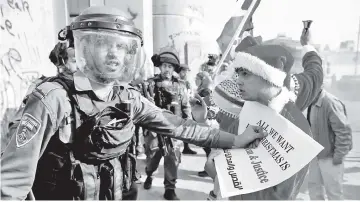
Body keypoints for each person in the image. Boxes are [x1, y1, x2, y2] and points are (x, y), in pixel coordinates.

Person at [0, 6, 267, 201]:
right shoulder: (52, 98)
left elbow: (181, 127)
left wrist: (235, 140)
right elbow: (13, 179)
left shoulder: (127, 97)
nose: (114, 53)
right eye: (103, 43)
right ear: (82, 47)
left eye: (121, 47)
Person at [203, 28, 324, 200]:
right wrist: (308, 47)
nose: (237, 80)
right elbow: (315, 75)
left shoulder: (294, 131)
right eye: (238, 73)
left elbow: (275, 197)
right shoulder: (249, 107)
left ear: (268, 76)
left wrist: (221, 177)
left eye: (245, 73)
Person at [142, 49, 192, 200]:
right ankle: (150, 174)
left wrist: (187, 123)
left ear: (174, 69)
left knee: (172, 157)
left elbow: (185, 106)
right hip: (154, 127)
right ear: (159, 67)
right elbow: (144, 106)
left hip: (173, 127)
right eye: (164, 66)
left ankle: (170, 188)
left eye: (170, 66)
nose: (166, 69)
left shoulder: (180, 86)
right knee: (153, 156)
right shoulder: (150, 84)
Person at [307, 89, 352, 200]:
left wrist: (338, 156)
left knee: (334, 194)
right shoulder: (310, 102)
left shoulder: (330, 102)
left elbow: (344, 132)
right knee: (314, 191)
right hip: (315, 157)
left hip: (330, 157)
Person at [176, 64, 197, 155]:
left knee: (187, 127)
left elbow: (191, 94)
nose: (186, 73)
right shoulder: (177, 81)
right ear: (180, 72)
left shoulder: (187, 82)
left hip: (187, 106)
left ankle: (186, 147)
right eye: (184, 71)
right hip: (179, 107)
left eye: (187, 71)